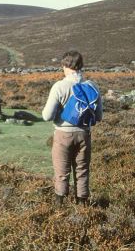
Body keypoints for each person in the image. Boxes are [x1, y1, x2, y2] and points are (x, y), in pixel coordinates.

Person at [42, 51, 103, 206]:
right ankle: (83, 207)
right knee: (82, 171)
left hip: (63, 135)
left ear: (65, 65)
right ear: (80, 65)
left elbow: (47, 116)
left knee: (62, 173)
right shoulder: (92, 86)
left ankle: (59, 208)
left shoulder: (60, 86)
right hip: (84, 134)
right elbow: (99, 117)